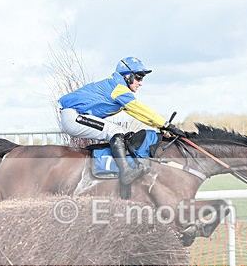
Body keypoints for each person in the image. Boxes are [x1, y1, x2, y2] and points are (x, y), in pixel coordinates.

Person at [57, 56, 184, 184]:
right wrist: (167, 124)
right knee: (116, 132)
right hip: (73, 117)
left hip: (77, 116)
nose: (140, 82)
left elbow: (138, 114)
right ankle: (125, 172)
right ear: (127, 76)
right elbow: (140, 109)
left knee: (125, 134)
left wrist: (161, 126)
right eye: (139, 77)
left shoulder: (119, 89)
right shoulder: (118, 88)